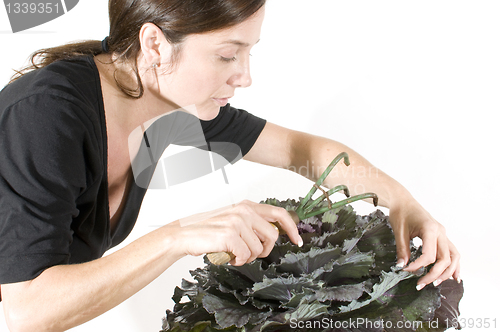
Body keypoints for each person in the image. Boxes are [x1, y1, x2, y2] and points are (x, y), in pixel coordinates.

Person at [0, 0, 460, 331]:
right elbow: (27, 310)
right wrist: (178, 237)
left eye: (248, 52)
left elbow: (306, 152)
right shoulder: (47, 115)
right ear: (155, 44)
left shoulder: (163, 100)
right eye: (226, 54)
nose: (244, 76)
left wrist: (404, 202)